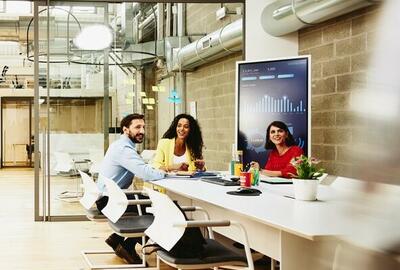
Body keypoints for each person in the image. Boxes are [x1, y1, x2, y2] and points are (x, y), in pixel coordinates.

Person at [96, 113, 166, 264]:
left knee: (149, 204)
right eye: (137, 127)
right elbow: (145, 173)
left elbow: (142, 168)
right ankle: (129, 245)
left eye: (143, 127)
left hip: (109, 198)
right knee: (157, 208)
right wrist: (164, 172)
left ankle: (117, 240)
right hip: (109, 201)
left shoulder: (122, 146)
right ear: (126, 130)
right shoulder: (123, 149)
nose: (142, 131)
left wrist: (160, 170)